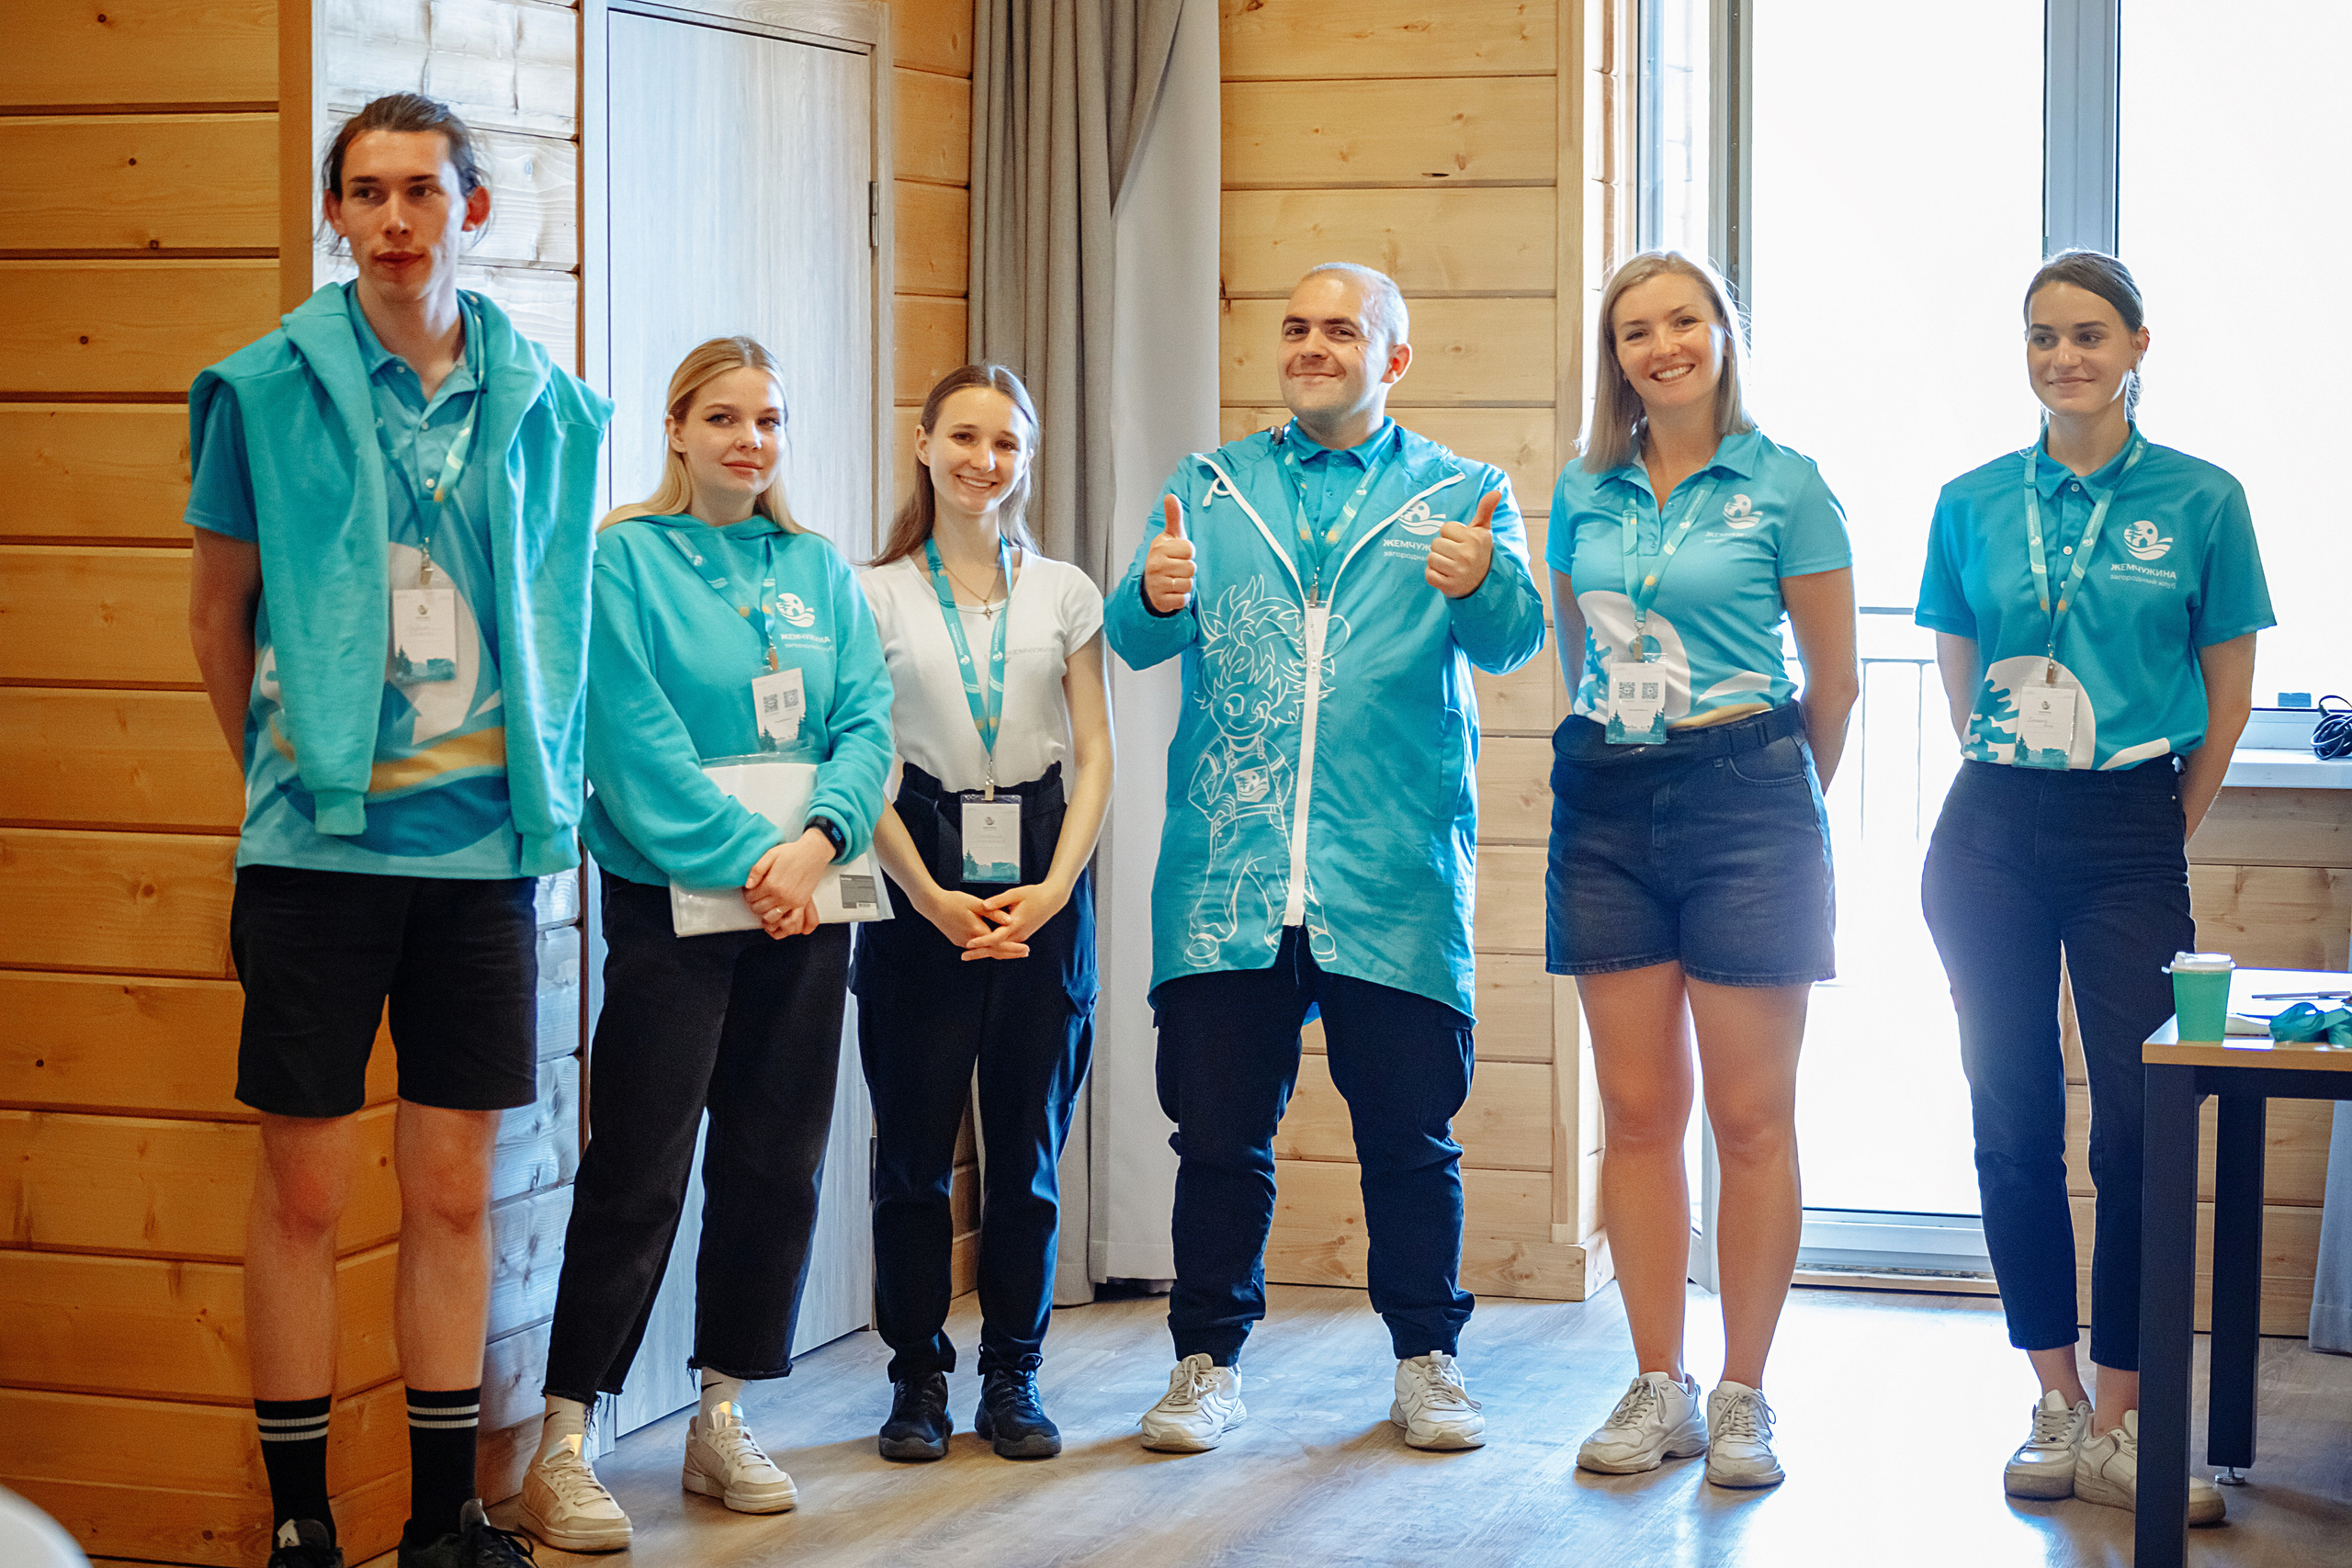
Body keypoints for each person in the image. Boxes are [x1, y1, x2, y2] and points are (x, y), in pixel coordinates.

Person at [185, 93, 609, 1568]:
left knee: (448, 1186)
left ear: (468, 211)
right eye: (363, 194)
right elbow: (216, 614)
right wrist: (288, 776)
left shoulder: (544, 403)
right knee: (303, 1183)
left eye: (420, 192)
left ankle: (443, 1518)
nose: (391, 220)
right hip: (315, 851)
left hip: (484, 850)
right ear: (336, 214)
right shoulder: (262, 388)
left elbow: (559, 613)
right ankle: (304, 1517)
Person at [1105, 262, 1546, 1454]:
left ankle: (1428, 1360)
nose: (1310, 344)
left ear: (1391, 359)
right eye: (1295, 326)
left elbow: (1512, 641)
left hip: (1390, 879)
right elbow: (1134, 635)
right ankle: (1205, 1361)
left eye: (1340, 329)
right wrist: (1148, 592)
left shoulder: (1463, 491)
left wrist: (1486, 577)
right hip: (1226, 879)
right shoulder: (1210, 486)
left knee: (1409, 1138)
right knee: (1217, 1140)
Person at [514, 338, 893, 1551]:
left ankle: (722, 1409)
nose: (749, 438)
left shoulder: (818, 568)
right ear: (677, 430)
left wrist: (818, 841)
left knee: (777, 1160)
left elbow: (865, 721)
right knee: (641, 1165)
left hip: (806, 904)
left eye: (770, 419)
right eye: (723, 416)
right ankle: (565, 1434)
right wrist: (753, 855)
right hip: (678, 909)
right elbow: (629, 739)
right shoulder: (624, 560)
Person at [1918, 251, 2268, 1522]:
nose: (2064, 356)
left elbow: (2225, 698)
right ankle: (2053, 1398)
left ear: (2137, 346)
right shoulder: (1969, 499)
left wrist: (2154, 820)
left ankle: (2125, 1417)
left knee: (2134, 1124)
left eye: (2088, 334)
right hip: (1991, 828)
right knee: (2011, 1117)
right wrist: (2014, 778)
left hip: (2132, 821)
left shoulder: (2205, 498)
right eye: (2042, 336)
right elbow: (1962, 672)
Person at [1547, 250, 1857, 1490]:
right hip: (1609, 793)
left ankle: (1744, 1392)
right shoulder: (1584, 488)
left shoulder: (1789, 483)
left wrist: (1776, 804)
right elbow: (1578, 648)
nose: (1661, 345)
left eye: (1684, 321)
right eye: (1636, 330)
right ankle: (1657, 1380)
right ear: (1614, 355)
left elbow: (1832, 683)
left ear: (1723, 333)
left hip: (1750, 795)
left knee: (1750, 1114)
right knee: (1634, 1111)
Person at [853, 365, 1113, 1461]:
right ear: (922, 445)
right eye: (963, 438)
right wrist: (927, 895)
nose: (983, 462)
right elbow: (858, 762)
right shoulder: (870, 593)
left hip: (1044, 862)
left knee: (1027, 1150)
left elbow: (1097, 752)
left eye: (1005, 444)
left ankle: (1014, 1374)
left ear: (1026, 459)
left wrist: (1054, 888)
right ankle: (916, 1378)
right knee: (912, 1153)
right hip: (917, 864)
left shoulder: (1064, 589)